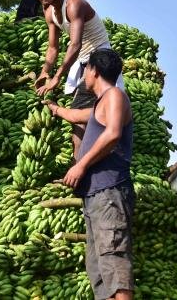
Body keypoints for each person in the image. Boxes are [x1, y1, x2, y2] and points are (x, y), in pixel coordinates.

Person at [43, 48, 135, 300]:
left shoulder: (115, 95)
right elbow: (74, 114)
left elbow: (113, 133)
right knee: (99, 270)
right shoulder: (99, 105)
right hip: (96, 195)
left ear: (94, 70)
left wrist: (80, 165)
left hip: (110, 192)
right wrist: (53, 107)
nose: (84, 74)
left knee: (114, 261)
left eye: (86, 69)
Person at [33, 0, 123, 156]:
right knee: (82, 114)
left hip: (101, 60)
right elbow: (53, 48)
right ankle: (80, 163)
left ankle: (81, 166)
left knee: (83, 114)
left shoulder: (74, 4)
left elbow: (75, 44)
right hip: (85, 63)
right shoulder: (49, 12)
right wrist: (45, 71)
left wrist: (57, 77)